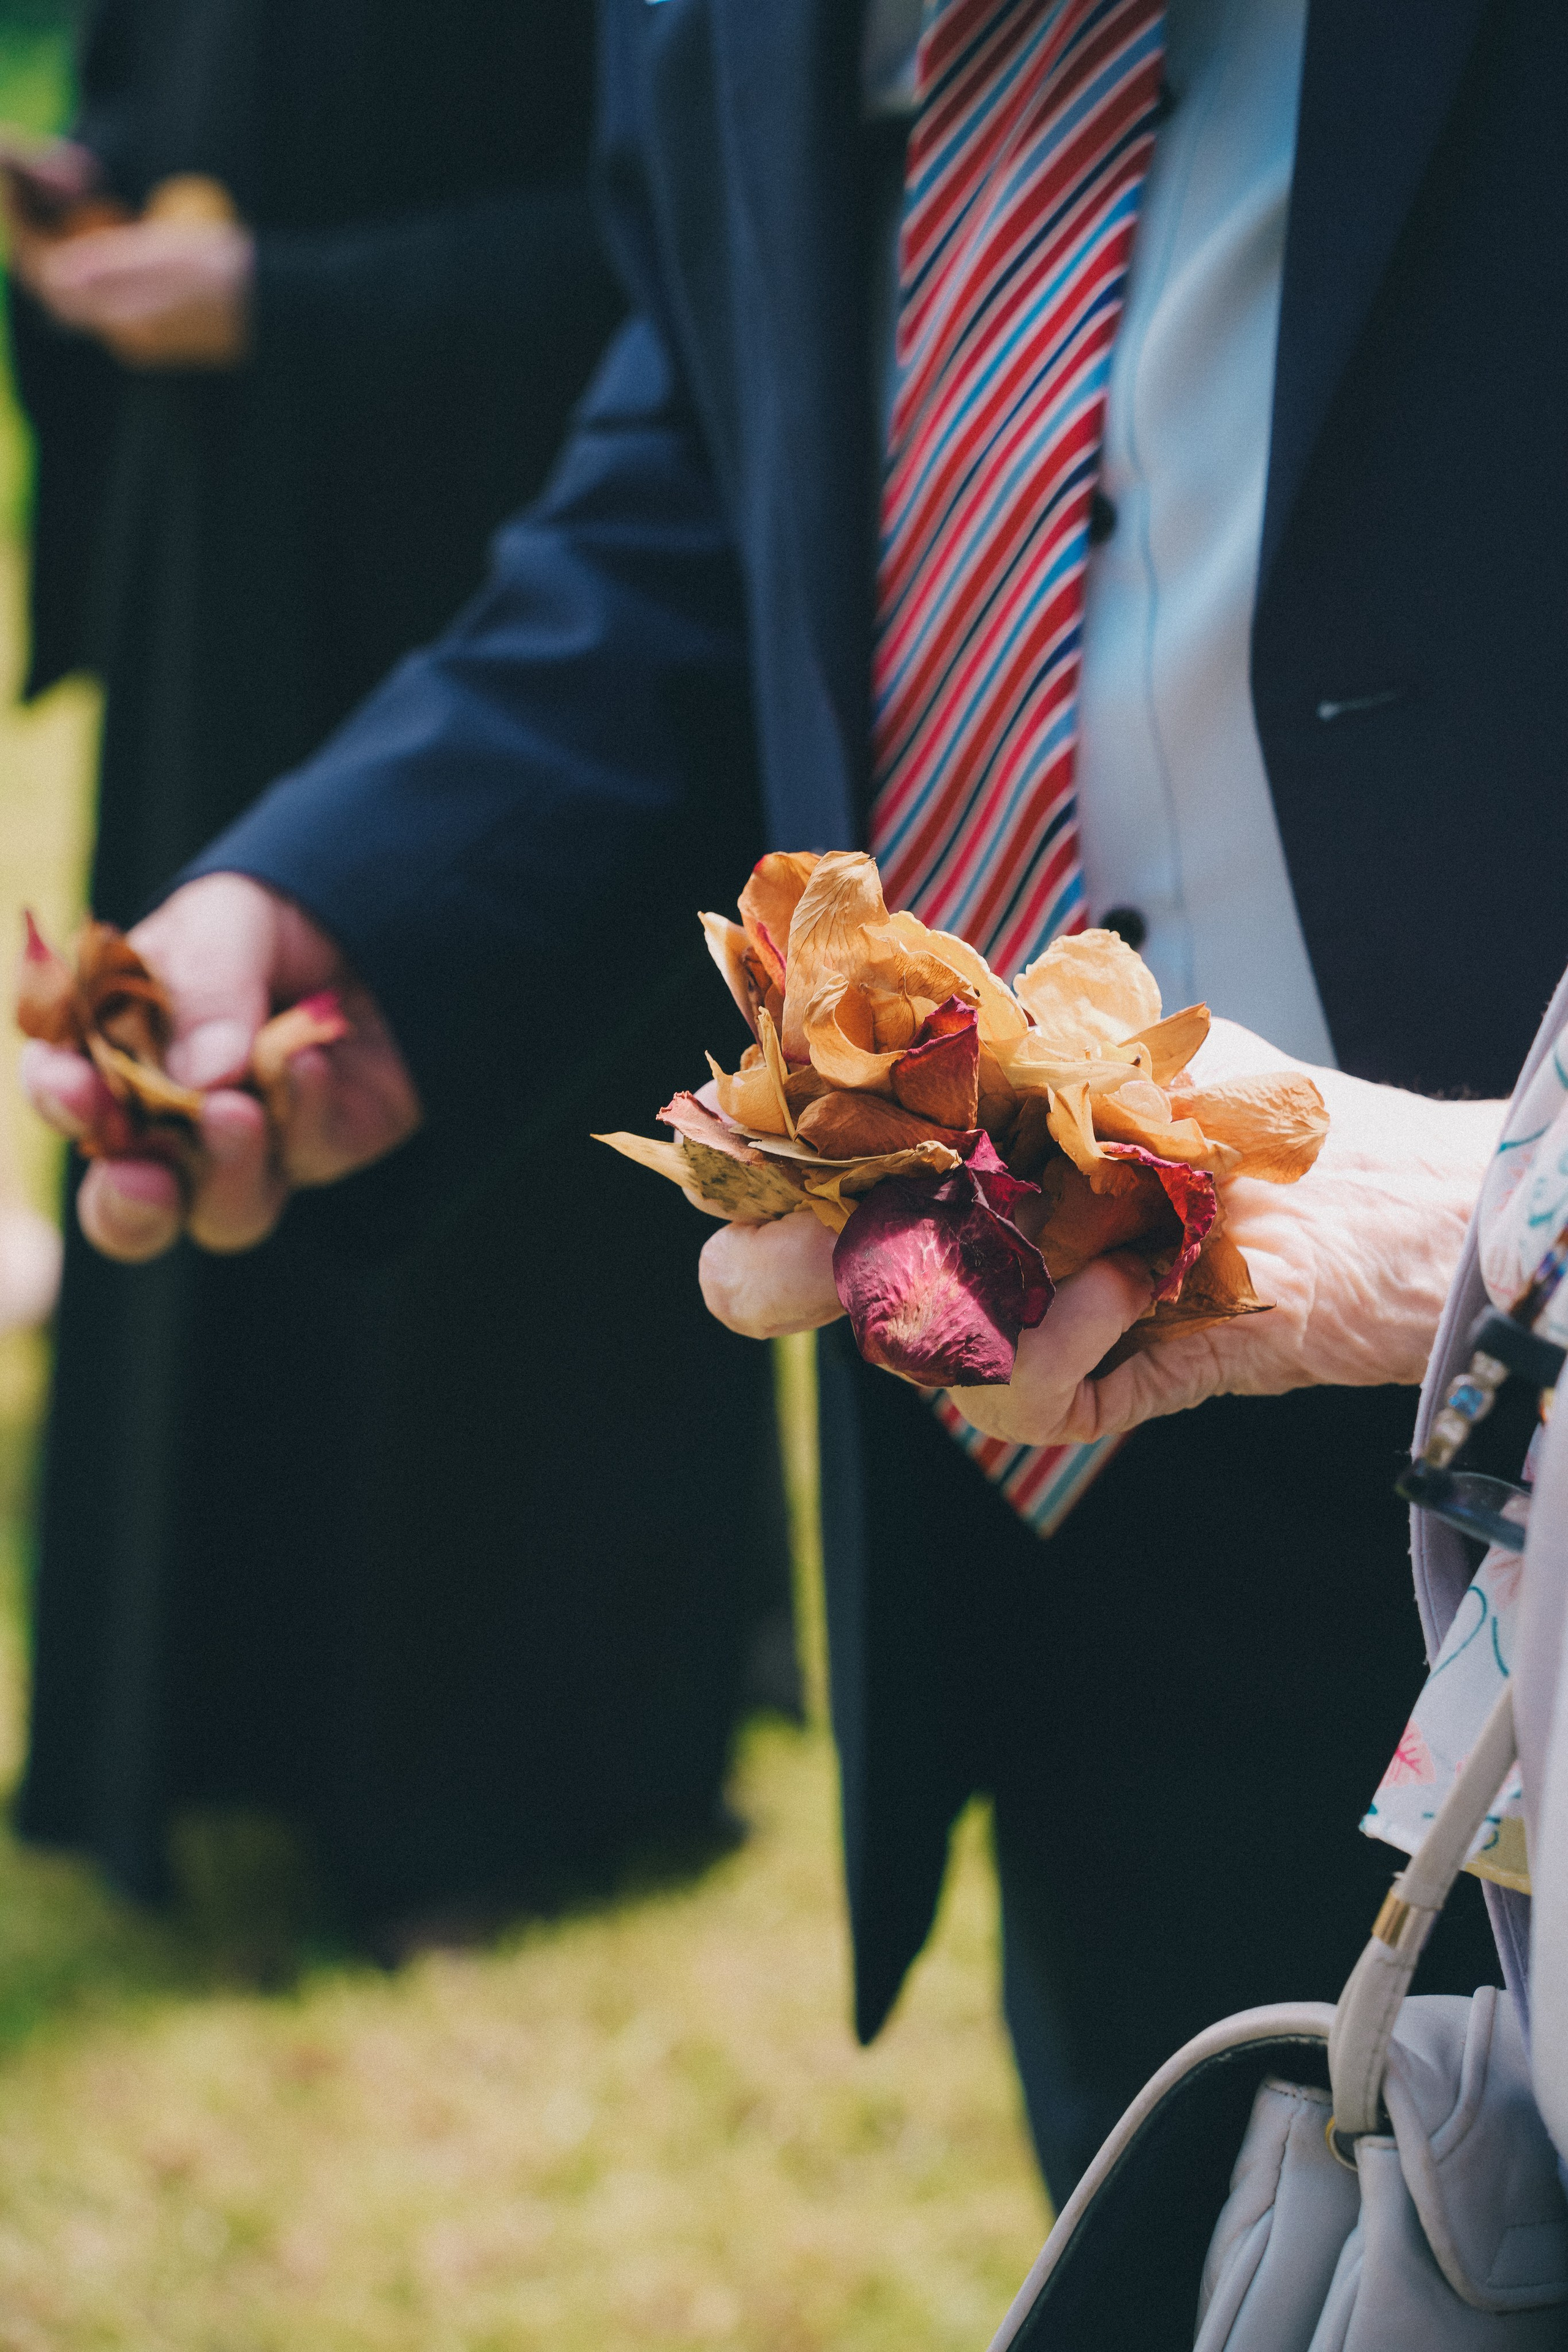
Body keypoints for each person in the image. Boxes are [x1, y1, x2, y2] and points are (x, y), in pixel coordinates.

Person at [19, 0, 1558, 2193]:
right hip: (1051, 1425)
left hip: (1516, 1378)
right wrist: (367, 902)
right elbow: (705, 463)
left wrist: (1492, 1228)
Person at [3, 0, 791, 1935]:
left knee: (502, 1239)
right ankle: (229, 1728)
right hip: (240, 587)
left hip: (518, 629)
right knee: (228, 1146)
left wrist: (294, 295)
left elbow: (698, 280)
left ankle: (513, 1777)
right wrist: (92, 210)